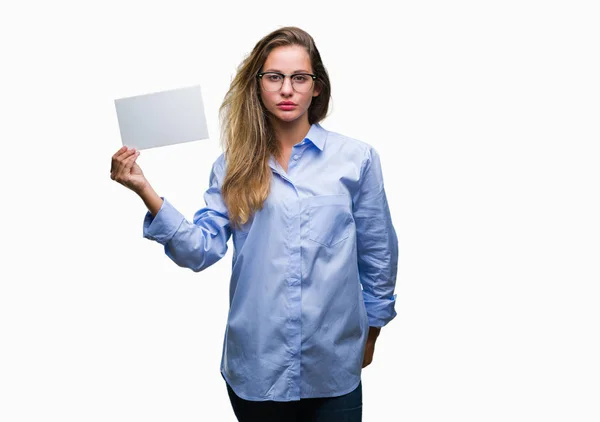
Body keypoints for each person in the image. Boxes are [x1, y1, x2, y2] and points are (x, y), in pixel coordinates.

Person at [110, 26, 398, 422]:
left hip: (333, 362)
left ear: (316, 87)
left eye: (300, 78)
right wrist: (145, 190)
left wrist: (374, 329)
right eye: (274, 77)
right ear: (258, 86)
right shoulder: (233, 166)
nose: (287, 89)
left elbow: (377, 250)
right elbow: (201, 250)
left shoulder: (357, 159)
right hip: (258, 366)